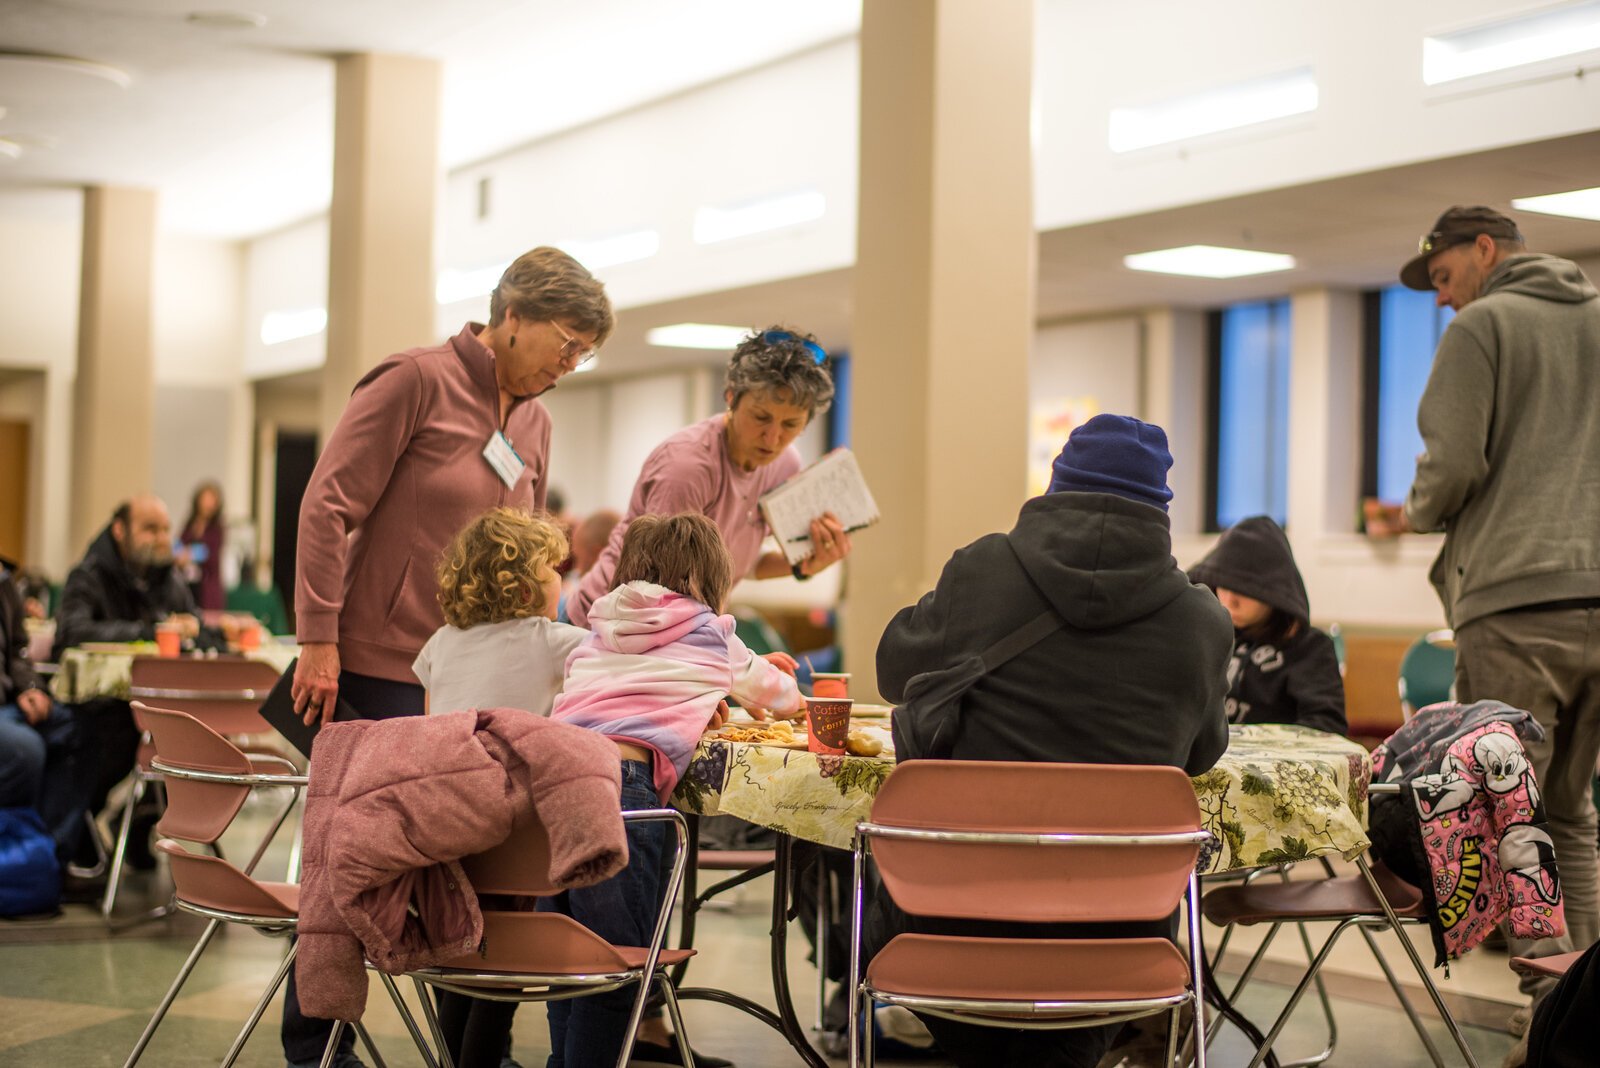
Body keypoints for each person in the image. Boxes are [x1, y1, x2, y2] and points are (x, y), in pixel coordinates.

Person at [285, 246, 613, 1068]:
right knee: (348, 857)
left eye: (584, 352)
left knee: (470, 873)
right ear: (510, 317)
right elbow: (326, 505)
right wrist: (319, 636)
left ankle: (474, 1052)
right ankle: (313, 1044)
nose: (570, 363)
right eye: (564, 342)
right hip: (379, 663)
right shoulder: (413, 381)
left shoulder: (535, 420)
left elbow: (530, 548)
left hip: (481, 676)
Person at [874, 414, 1233, 1068]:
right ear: (1160, 507)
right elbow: (1202, 755)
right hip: (1121, 938)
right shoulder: (1203, 622)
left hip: (953, 921)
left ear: (1057, 483)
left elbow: (894, 672)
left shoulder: (981, 570)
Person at [1387, 205, 1600, 1025]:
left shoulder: (1482, 330)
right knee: (1572, 811)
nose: (1442, 300)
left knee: (1509, 818)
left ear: (1484, 252)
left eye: (1443, 278)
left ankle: (1547, 1018)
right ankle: (1584, 1015)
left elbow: (1452, 466)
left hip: (1517, 604)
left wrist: (1417, 508)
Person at [548, 513, 803, 1067]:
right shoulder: (710, 631)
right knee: (619, 966)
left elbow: (631, 690)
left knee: (567, 961)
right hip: (620, 791)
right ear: (712, 577)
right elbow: (779, 695)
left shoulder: (597, 628)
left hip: (550, 786)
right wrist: (784, 688)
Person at [410, 508, 589, 1067]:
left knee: (458, 960)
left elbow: (430, 731)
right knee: (502, 970)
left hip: (440, 828)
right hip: (511, 834)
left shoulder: (441, 643)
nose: (563, 578)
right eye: (555, 568)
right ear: (525, 582)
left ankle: (452, 1060)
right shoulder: (555, 641)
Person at [566, 327, 852, 629]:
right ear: (731, 397)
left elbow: (743, 564)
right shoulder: (687, 468)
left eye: (791, 424)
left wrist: (805, 564)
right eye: (761, 417)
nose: (773, 437)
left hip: (670, 625)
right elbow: (661, 591)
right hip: (603, 625)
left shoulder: (784, 465)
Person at [52, 496, 200, 871]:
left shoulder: (168, 577)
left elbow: (191, 623)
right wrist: (146, 632)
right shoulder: (88, 573)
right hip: (100, 707)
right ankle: (80, 830)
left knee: (190, 735)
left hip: (158, 706)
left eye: (165, 529)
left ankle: (137, 822)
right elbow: (71, 631)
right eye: (150, 528)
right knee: (121, 734)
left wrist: (200, 630)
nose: (162, 538)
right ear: (120, 531)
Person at [1187, 515, 1346, 735]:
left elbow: (1327, 730)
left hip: (1278, 765)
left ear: (1274, 594)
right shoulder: (1204, 635)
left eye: (1243, 589)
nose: (1230, 600)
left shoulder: (1310, 649)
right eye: (1223, 585)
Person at [0, 555, 92, 866]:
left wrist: (30, 688)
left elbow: (17, 650)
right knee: (25, 749)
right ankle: (15, 851)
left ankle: (51, 853)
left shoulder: (3, 579)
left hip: (9, 702)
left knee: (83, 725)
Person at [178, 480, 226, 613]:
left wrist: (190, 554)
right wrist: (178, 555)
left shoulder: (217, 528)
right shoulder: (190, 523)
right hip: (189, 583)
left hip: (208, 586)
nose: (208, 504)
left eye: (212, 500)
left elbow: (211, 553)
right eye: (205, 499)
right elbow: (179, 544)